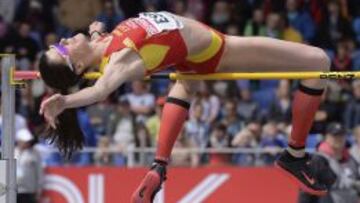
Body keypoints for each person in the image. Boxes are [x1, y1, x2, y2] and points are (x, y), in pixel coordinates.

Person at [38, 11, 331, 202]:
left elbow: (99, 45)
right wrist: (65, 102)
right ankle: (294, 154)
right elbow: (101, 90)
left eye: (57, 43)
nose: (62, 40)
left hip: (189, 57)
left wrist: (93, 33)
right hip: (219, 50)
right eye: (61, 50)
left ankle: (159, 165)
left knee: (187, 82)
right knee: (319, 62)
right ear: (77, 65)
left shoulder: (103, 43)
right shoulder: (118, 61)